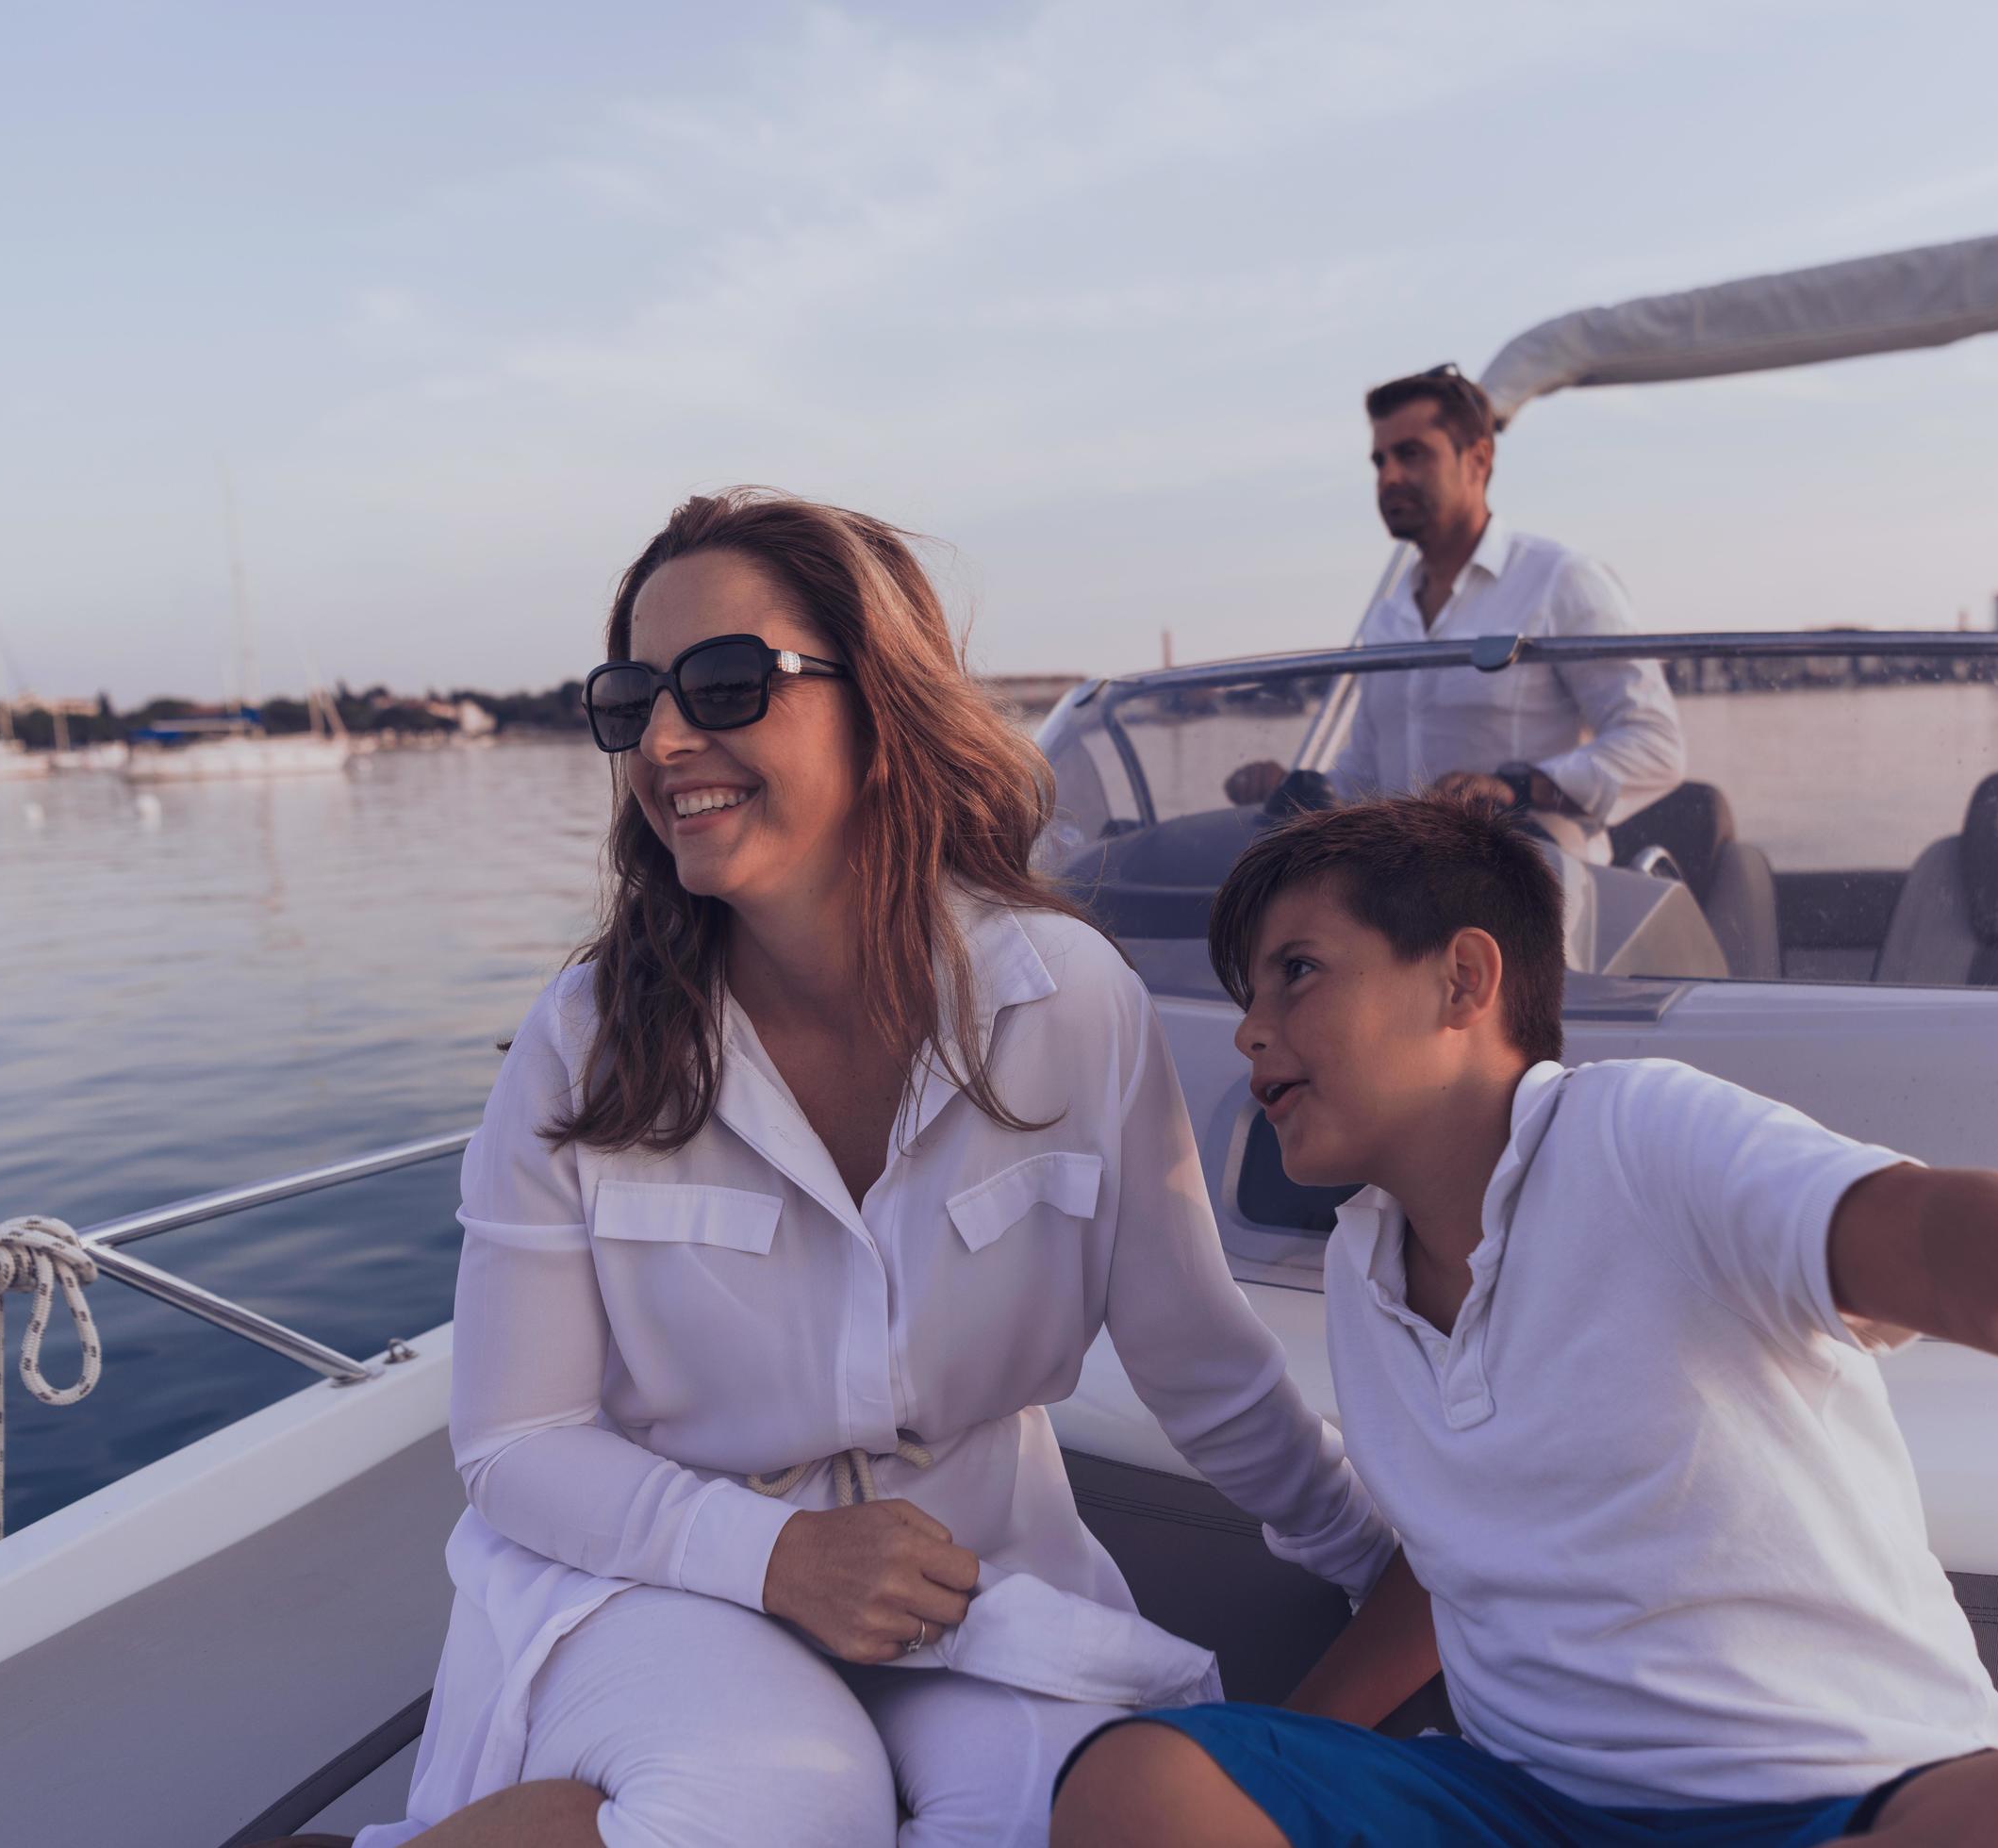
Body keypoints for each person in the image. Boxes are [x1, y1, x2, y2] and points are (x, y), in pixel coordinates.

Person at [1052, 796, 1998, 1848]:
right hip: (1532, 1813)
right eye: (1242, 997)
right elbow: (1455, 1567)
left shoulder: (1635, 1137)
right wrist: (1287, 1754)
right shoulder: (1366, 1277)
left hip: (1847, 1803)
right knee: (1138, 1785)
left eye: (1298, 972)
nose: (1249, 1031)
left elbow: (1932, 1231)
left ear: (1464, 980)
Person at [340, 493, 1392, 1848]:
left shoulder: (1067, 1003)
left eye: (724, 685)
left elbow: (1198, 1354)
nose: (665, 741)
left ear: (881, 708)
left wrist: (1382, 1563)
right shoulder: (587, 1039)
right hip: (658, 1577)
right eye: (631, 699)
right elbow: (516, 1442)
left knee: (1053, 1818)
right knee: (780, 1804)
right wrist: (771, 1559)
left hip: (973, 1573)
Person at [1224, 366, 1684, 862]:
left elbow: (1656, 746)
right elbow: (1369, 773)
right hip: (1405, 893)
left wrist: (1517, 788)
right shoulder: (1389, 615)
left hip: (1542, 887)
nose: (1389, 476)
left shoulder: (1560, 579)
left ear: (1478, 460)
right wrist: (1294, 789)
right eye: (1380, 460)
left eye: (1412, 454)